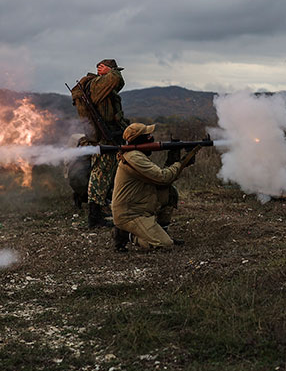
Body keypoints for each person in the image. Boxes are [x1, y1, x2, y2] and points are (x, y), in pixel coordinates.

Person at [111, 123, 196, 252]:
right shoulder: (134, 157)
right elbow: (163, 177)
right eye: (148, 136)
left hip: (139, 207)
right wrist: (182, 162)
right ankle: (126, 235)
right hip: (130, 214)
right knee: (164, 245)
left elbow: (161, 181)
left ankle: (162, 232)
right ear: (139, 140)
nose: (151, 138)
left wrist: (173, 158)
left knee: (169, 192)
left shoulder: (136, 154)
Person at [71, 59, 129, 228]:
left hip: (105, 136)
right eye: (106, 68)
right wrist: (113, 71)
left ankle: (100, 209)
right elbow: (117, 79)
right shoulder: (97, 83)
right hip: (104, 138)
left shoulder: (97, 84)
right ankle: (95, 217)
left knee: (105, 174)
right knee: (101, 175)